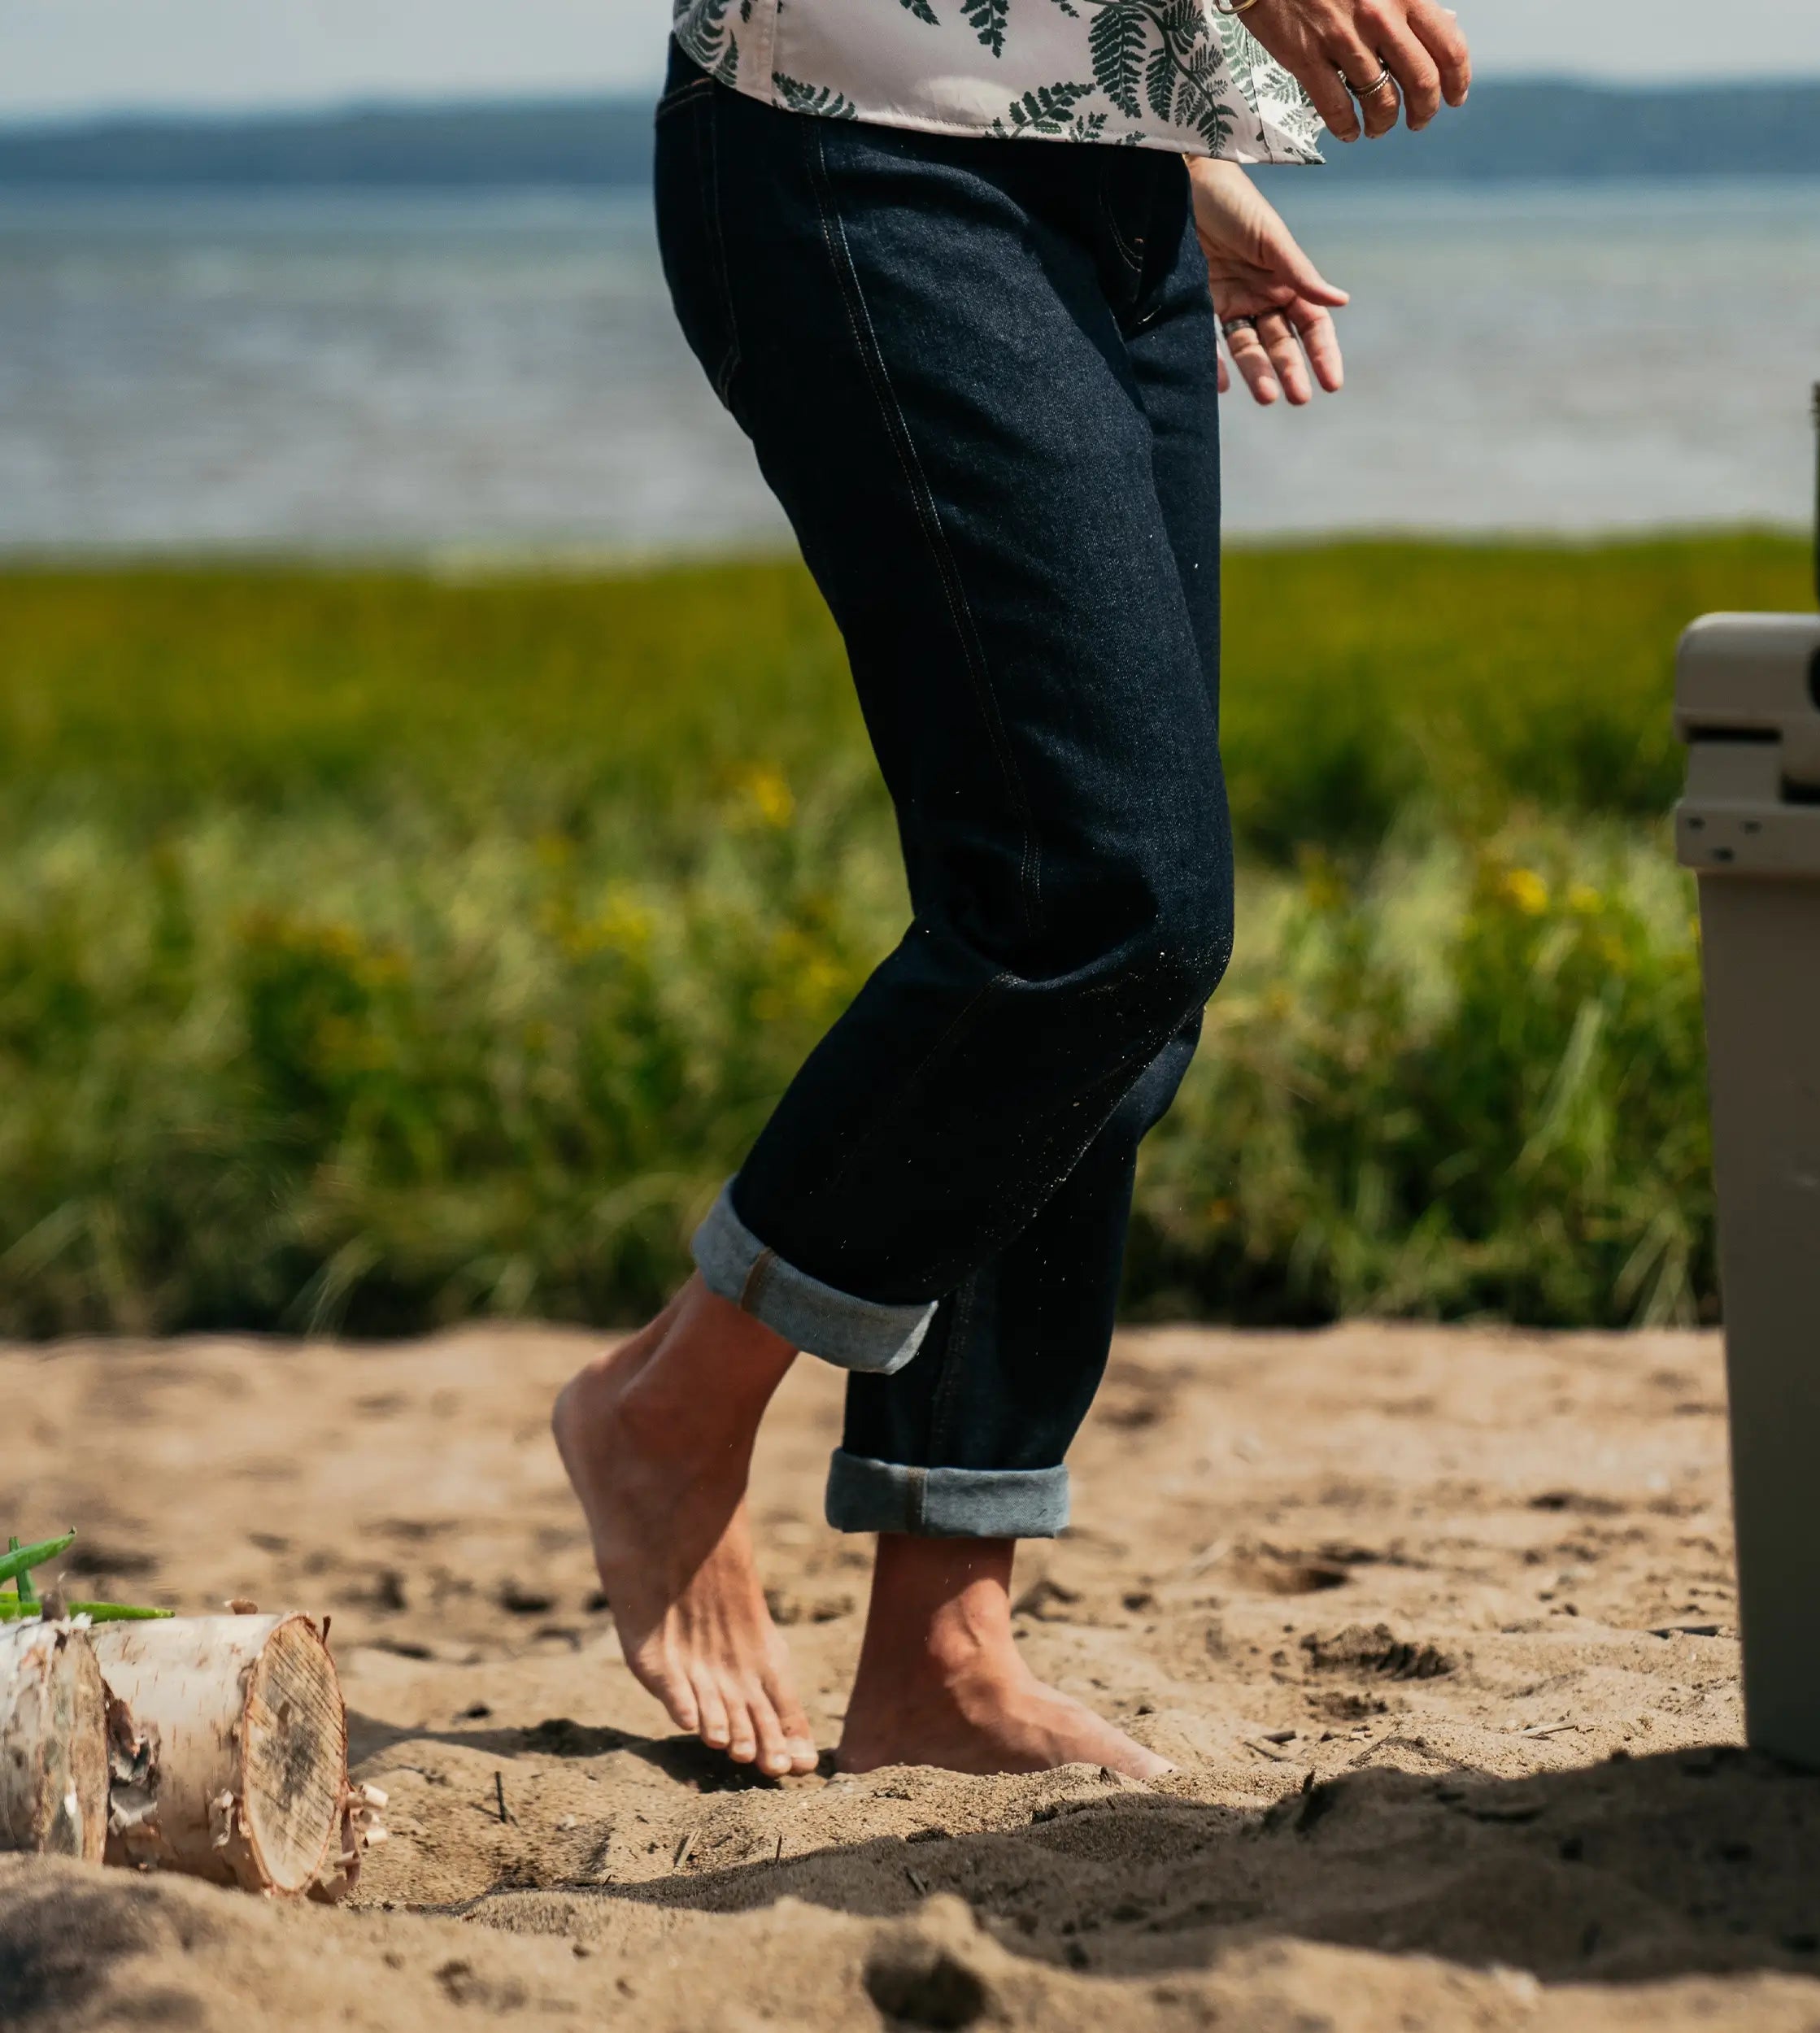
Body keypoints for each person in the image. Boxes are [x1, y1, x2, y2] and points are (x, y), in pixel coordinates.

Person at [554, 0, 1471, 1781]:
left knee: (1119, 985)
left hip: (1104, 173)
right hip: (855, 137)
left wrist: (1169, 127)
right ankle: (670, 1407)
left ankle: (938, 1645)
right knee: (1100, 898)